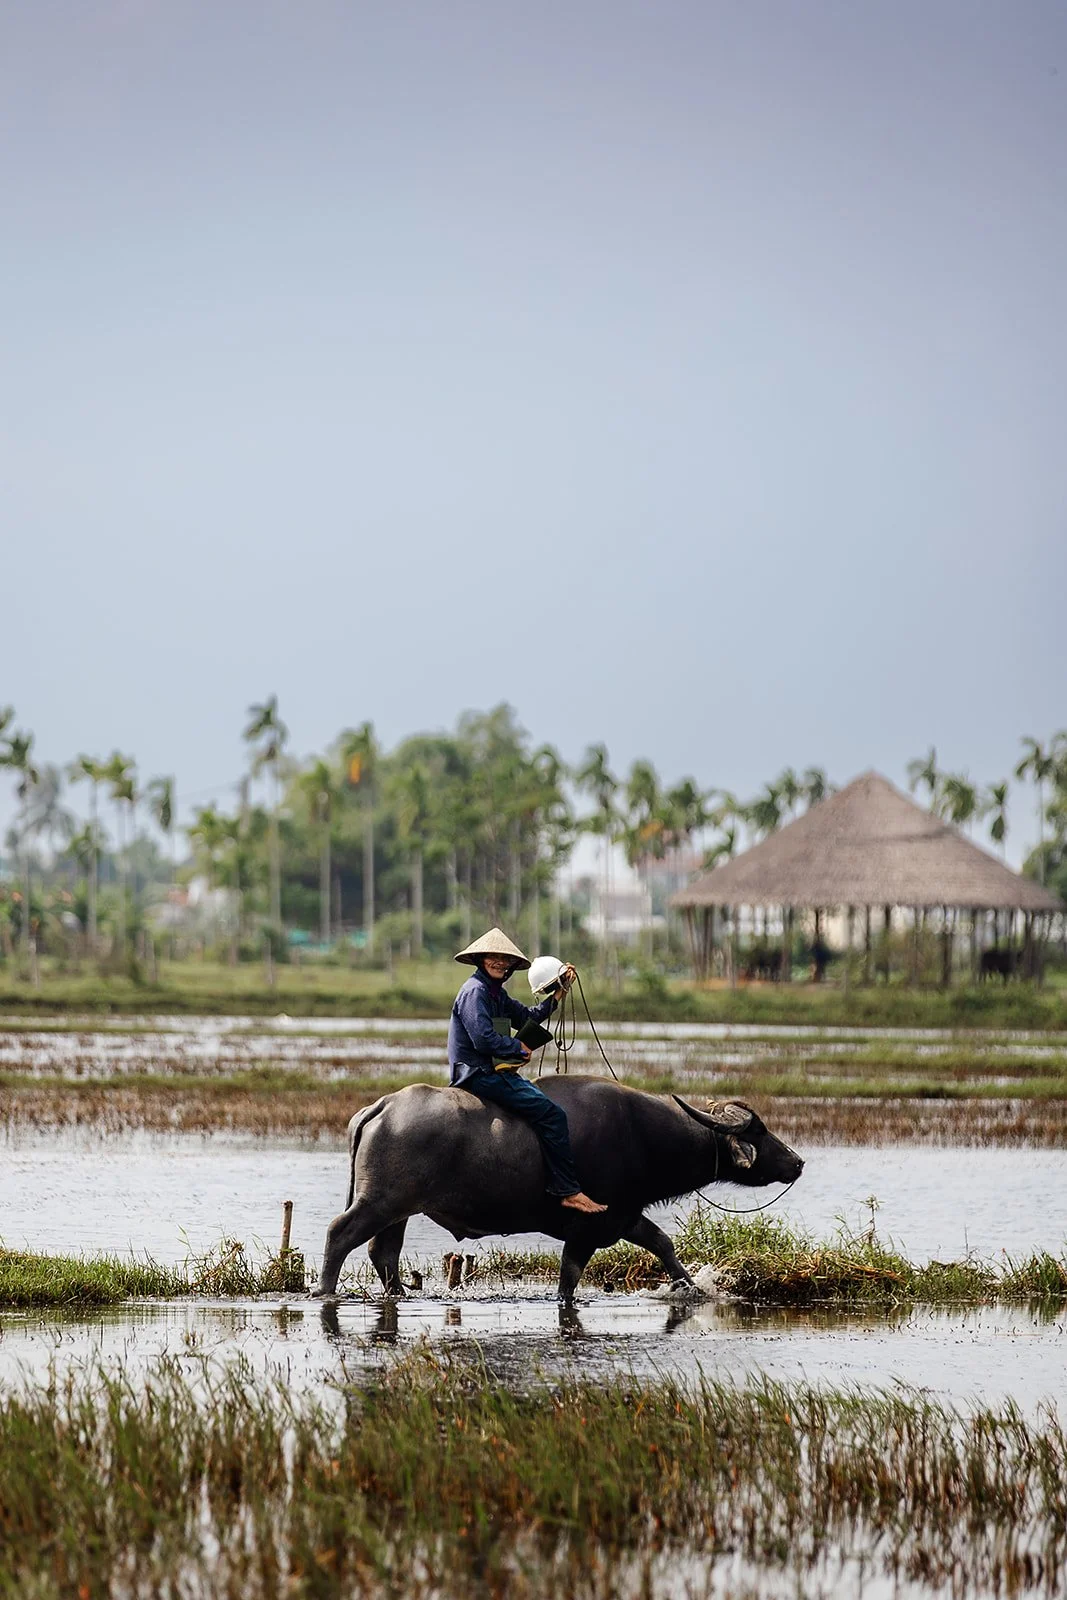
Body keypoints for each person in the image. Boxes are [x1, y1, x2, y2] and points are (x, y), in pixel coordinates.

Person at [448, 927, 607, 1215]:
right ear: (481, 959)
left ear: (510, 966)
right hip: (478, 1074)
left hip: (493, 1071)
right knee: (553, 1114)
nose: (499, 962)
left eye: (504, 959)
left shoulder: (496, 994)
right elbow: (482, 1039)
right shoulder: (476, 992)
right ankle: (567, 1190)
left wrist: (559, 993)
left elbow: (527, 1016)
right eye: (493, 957)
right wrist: (517, 1047)